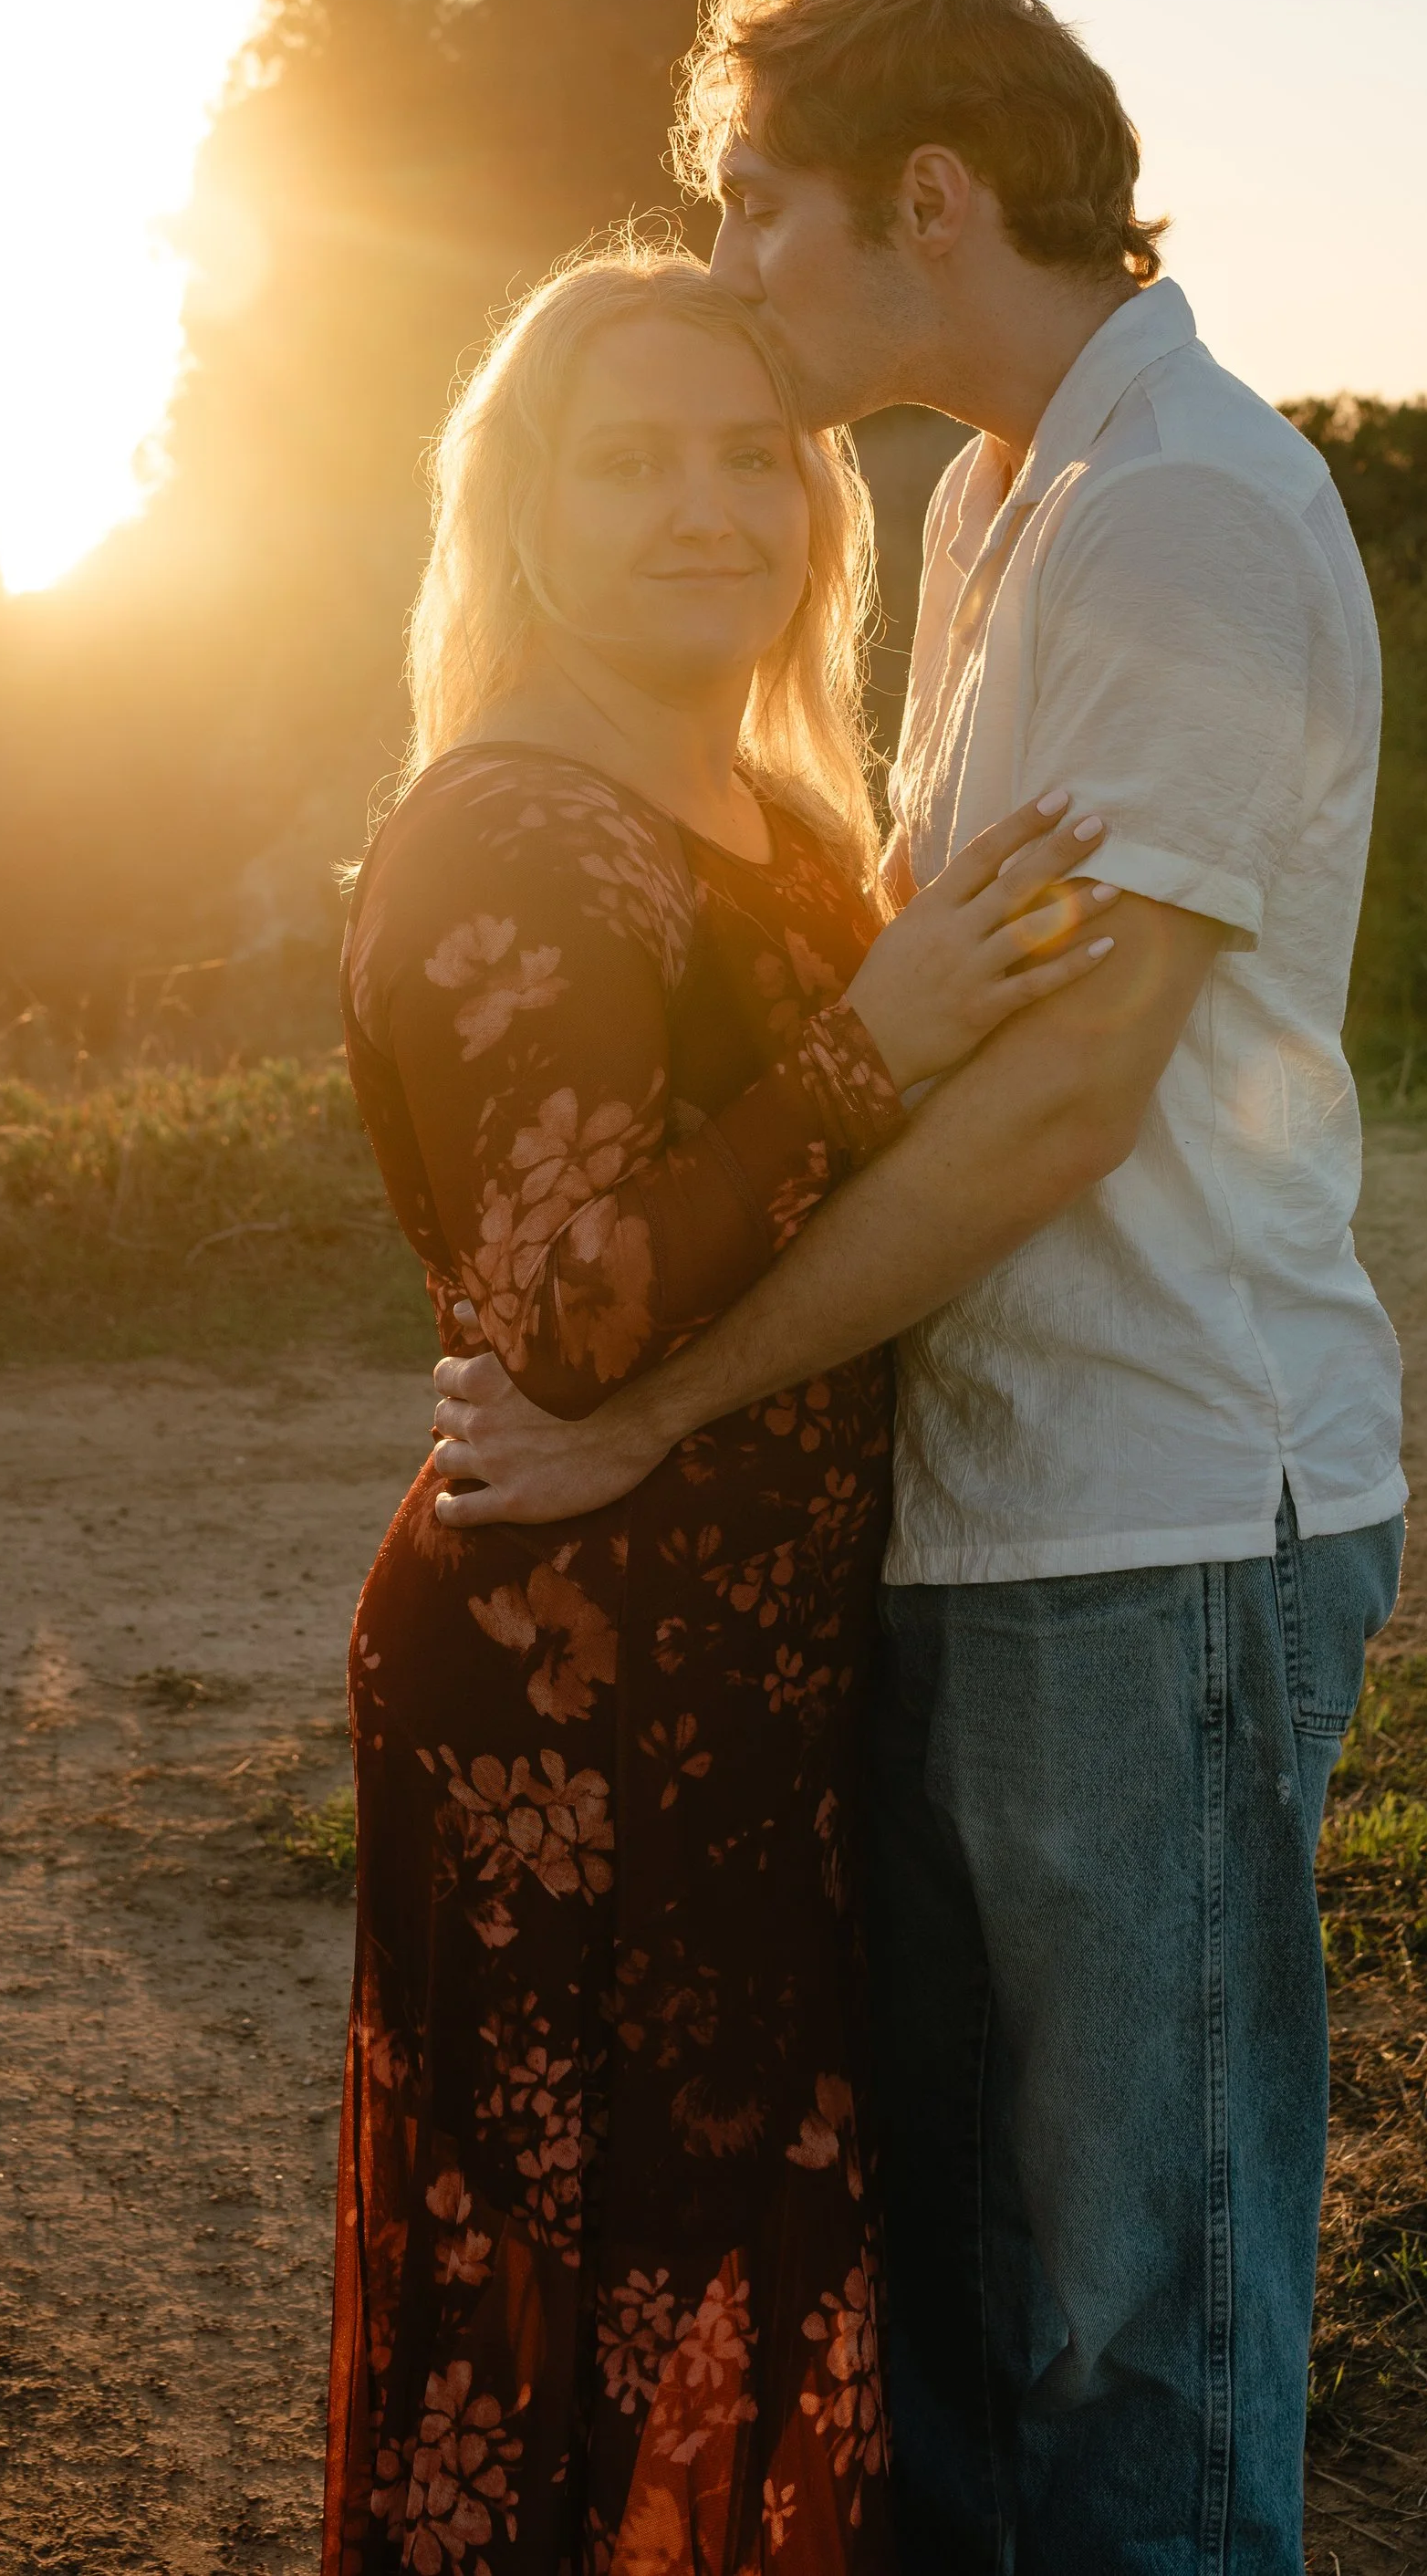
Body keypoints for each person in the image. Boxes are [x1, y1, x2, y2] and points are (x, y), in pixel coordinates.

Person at [431, 0, 1409, 2574]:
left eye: (759, 202)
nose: (726, 253)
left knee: (1134, 2330)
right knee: (971, 2330)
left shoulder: (1183, 507)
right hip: (990, 1520)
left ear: (934, 204)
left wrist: (654, 1399)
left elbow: (1070, 1092)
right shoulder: (996, 502)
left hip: (1160, 1519)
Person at [325, 245, 1120, 2576]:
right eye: (627, 458)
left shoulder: (772, 819)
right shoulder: (510, 827)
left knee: (738, 2275)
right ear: (526, 511)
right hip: (568, 1693)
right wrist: (880, 1033)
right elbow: (568, 1309)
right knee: (582, 2317)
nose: (704, 504)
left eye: (745, 453)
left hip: (746, 1685)